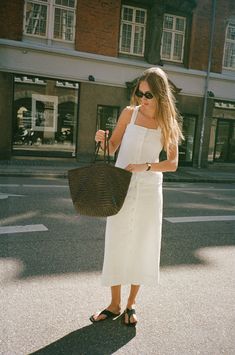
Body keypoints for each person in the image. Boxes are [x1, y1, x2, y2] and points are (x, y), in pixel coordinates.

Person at [90, 67, 183, 327]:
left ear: (161, 95)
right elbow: (111, 147)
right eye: (140, 92)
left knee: (143, 245)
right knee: (117, 243)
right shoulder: (129, 114)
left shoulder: (168, 123)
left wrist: (147, 166)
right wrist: (100, 139)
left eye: (149, 94)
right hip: (121, 187)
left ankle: (131, 304)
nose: (143, 98)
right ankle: (114, 303)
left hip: (149, 189)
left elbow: (173, 163)